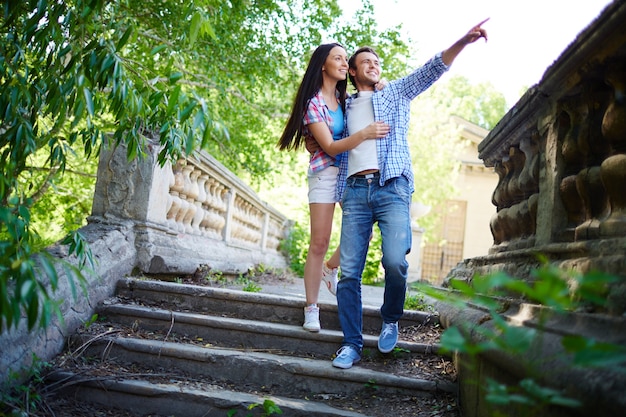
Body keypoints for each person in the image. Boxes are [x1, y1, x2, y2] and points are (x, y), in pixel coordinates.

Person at [332, 20, 489, 369]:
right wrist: (340, 191)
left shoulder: (395, 93)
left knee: (395, 262)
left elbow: (432, 69)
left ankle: (390, 319)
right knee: (350, 274)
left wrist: (463, 39)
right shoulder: (342, 104)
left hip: (392, 187)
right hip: (356, 190)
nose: (374, 66)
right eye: (366, 63)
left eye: (377, 62)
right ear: (354, 73)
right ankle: (351, 344)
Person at [278, 42, 390, 332]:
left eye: (345, 59)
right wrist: (365, 134)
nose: (343, 62)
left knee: (362, 236)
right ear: (323, 65)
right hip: (326, 174)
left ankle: (331, 267)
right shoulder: (313, 103)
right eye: (337, 58)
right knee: (319, 241)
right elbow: (327, 146)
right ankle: (311, 308)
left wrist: (382, 84)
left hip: (350, 173)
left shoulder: (347, 101)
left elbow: (370, 101)